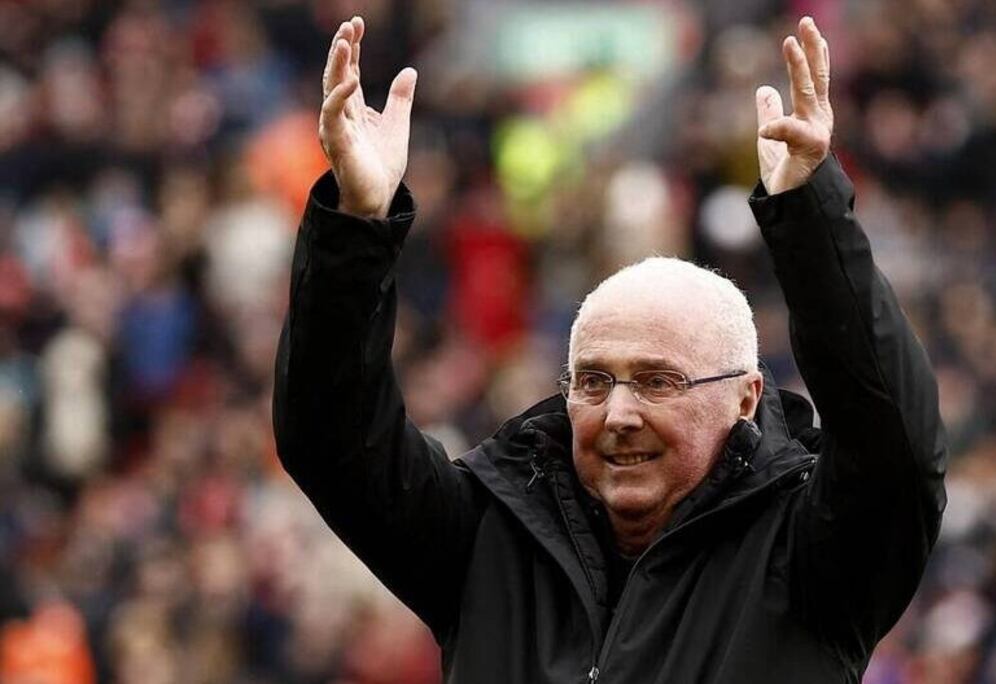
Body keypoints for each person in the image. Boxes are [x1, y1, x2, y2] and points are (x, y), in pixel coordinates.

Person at [273, 14, 948, 683]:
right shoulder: (488, 538)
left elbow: (897, 445)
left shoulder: (811, 555)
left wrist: (808, 213)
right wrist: (357, 226)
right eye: (593, 381)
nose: (618, 412)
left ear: (746, 397)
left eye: (658, 381)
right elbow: (331, 436)